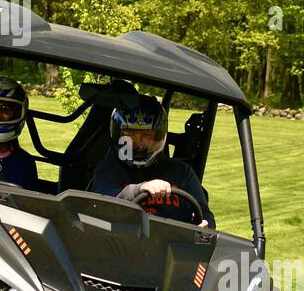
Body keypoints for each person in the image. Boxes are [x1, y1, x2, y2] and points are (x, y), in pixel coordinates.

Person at [90, 95, 215, 228]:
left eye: (147, 135)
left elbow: (206, 217)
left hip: (171, 243)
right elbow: (100, 203)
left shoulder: (182, 173)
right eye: (131, 134)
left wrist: (204, 224)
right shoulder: (108, 169)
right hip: (121, 243)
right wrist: (139, 189)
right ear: (118, 134)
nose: (138, 143)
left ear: (158, 136)